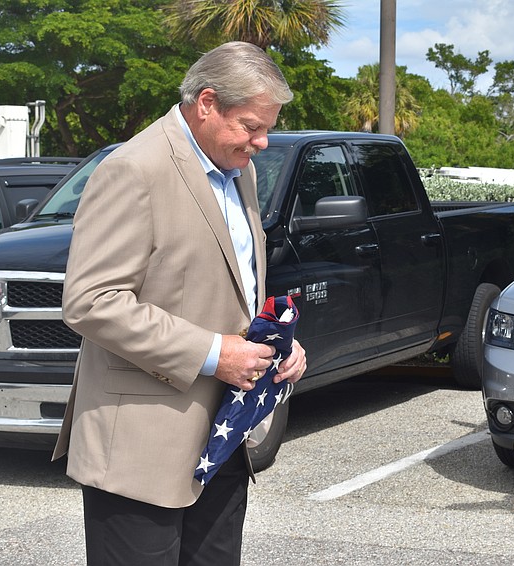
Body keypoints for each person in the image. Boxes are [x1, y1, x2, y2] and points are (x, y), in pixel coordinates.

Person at [52, 41, 307, 566]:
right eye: (252, 126)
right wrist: (216, 353)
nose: (263, 142)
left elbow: (230, 286)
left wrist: (276, 345)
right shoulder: (134, 168)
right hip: (141, 446)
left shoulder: (240, 168)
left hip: (222, 437)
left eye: (267, 128)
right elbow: (91, 301)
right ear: (206, 102)